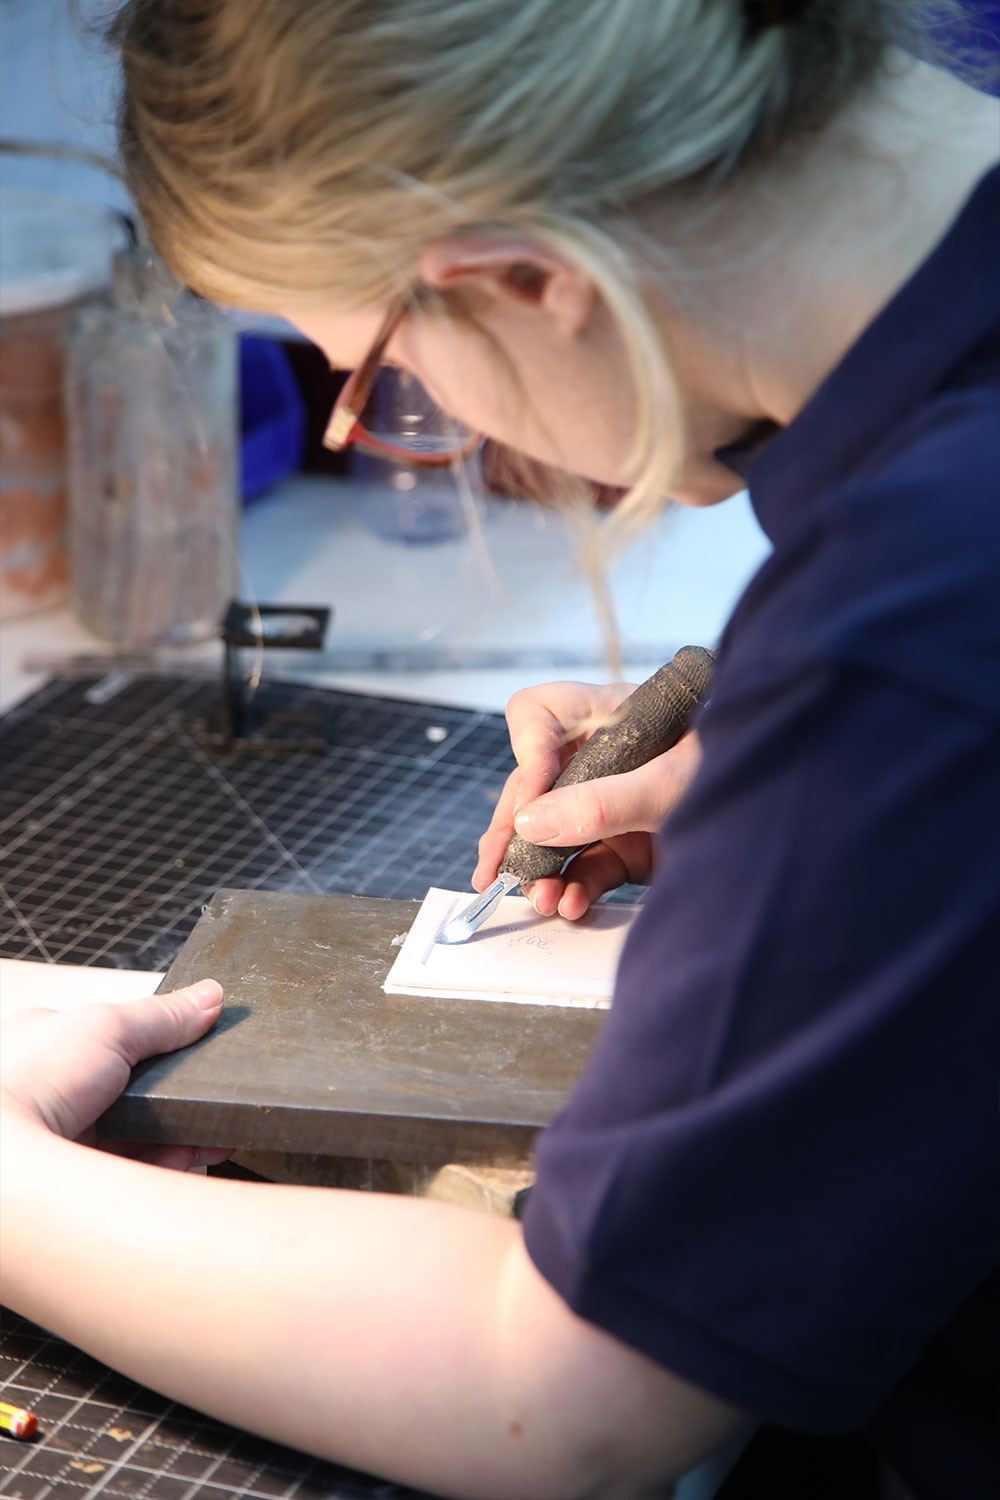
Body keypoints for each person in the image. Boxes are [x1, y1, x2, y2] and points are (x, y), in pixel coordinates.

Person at [1, 2, 997, 1497]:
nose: (408, 424)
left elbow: (574, 1409)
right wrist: (818, 786)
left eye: (370, 376)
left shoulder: (923, 602)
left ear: (527, 280)